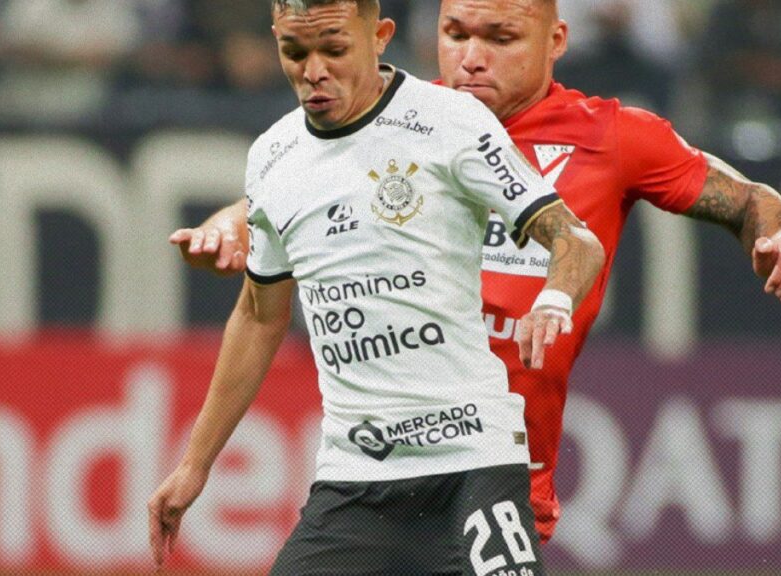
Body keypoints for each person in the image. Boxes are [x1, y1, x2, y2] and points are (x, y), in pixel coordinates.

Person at [169, 0, 781, 545]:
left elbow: (746, 200)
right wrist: (235, 217)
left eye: (500, 37)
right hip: (380, 467)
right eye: (455, 34)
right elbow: (293, 183)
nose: (471, 57)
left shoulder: (612, 137)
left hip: (494, 477)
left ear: (556, 39)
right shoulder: (392, 119)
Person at [148, 0, 606, 573]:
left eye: (334, 49)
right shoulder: (273, 157)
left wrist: (554, 298)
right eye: (295, 51)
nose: (313, 69)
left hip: (471, 467)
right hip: (356, 481)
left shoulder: (449, 122)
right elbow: (261, 316)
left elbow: (575, 240)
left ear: (380, 35)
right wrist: (195, 465)